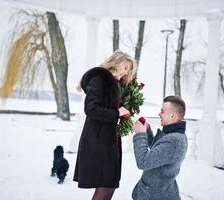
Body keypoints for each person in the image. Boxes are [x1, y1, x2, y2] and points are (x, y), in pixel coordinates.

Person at [73, 50, 137, 200]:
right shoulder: (100, 79)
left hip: (107, 142)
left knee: (108, 186)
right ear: (116, 63)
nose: (126, 72)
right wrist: (117, 113)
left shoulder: (112, 83)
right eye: (126, 67)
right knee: (106, 187)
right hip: (98, 142)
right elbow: (91, 109)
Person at [132, 95, 187, 200]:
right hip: (154, 192)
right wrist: (147, 132)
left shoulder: (173, 141)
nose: (159, 114)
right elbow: (157, 153)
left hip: (156, 196)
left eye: (162, 111)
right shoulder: (172, 133)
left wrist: (140, 134)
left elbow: (143, 162)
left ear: (172, 116)